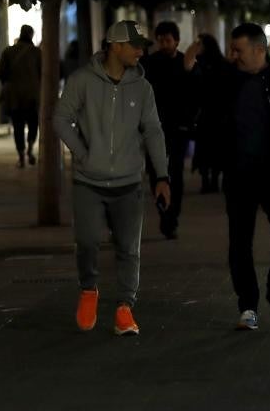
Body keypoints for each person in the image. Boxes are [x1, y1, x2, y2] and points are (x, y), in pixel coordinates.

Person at [54, 21, 171, 337]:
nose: (140, 51)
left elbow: (153, 131)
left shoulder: (142, 88)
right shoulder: (82, 81)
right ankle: (89, 289)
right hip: (88, 182)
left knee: (128, 248)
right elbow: (61, 118)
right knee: (88, 241)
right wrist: (82, 153)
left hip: (129, 182)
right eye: (134, 45)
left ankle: (124, 307)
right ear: (115, 46)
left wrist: (162, 175)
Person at [202, 23, 270, 330]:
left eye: (238, 50)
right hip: (239, 175)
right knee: (240, 241)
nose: (233, 55)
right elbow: (209, 116)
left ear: (259, 50)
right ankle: (247, 306)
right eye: (232, 49)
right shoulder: (227, 80)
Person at [141, 21, 198, 239]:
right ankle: (164, 212)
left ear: (176, 40)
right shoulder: (150, 63)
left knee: (175, 172)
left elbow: (195, 90)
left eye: (168, 40)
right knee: (157, 173)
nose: (164, 44)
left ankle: (172, 215)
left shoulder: (185, 62)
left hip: (178, 127)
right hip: (154, 126)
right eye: (161, 40)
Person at [0, 25, 42, 168]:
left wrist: (9, 82)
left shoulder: (8, 52)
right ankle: (30, 148)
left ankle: (21, 155)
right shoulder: (37, 53)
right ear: (31, 35)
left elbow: (1, 71)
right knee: (33, 123)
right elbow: (44, 73)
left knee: (18, 125)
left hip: (14, 96)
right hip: (32, 95)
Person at [190, 34, 227, 193]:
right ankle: (209, 181)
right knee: (209, 149)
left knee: (211, 148)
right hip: (210, 114)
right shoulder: (203, 63)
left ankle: (210, 181)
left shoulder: (210, 65)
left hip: (213, 113)